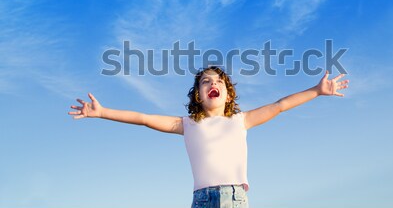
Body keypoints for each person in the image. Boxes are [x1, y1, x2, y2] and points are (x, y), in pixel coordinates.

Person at [69, 66, 349, 207]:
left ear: (228, 95)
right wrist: (103, 112)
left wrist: (316, 90)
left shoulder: (241, 120)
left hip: (234, 197)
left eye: (218, 82)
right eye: (206, 81)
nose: (212, 83)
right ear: (198, 96)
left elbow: (280, 105)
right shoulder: (186, 124)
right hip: (201, 199)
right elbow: (143, 119)